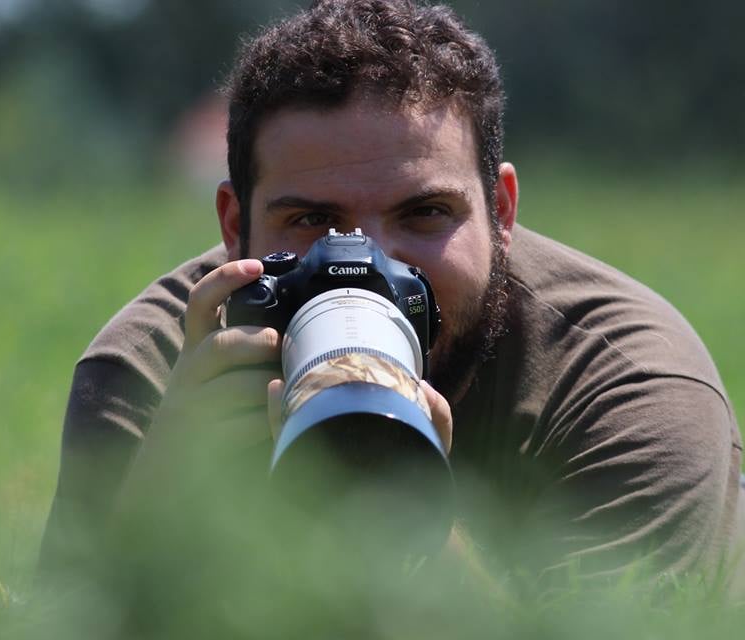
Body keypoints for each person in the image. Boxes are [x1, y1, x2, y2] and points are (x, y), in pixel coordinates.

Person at [40, 0, 743, 584]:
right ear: (235, 225)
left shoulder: (623, 381)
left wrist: (414, 526)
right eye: (313, 221)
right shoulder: (165, 363)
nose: (368, 265)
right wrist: (155, 515)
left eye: (424, 213)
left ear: (501, 215)